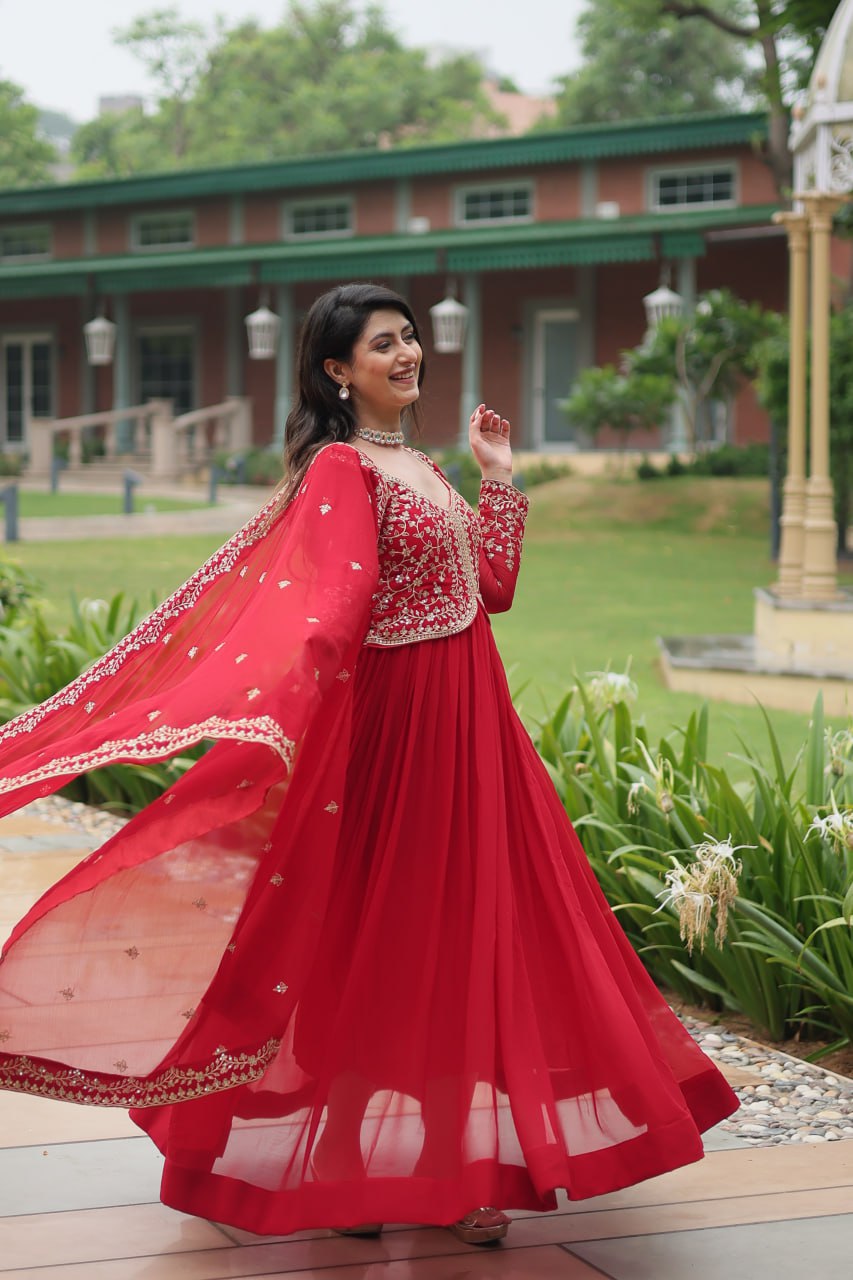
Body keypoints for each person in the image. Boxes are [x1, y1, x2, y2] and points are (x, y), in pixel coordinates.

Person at [0, 282, 737, 1245]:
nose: (408, 354)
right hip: (400, 735)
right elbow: (325, 615)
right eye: (383, 344)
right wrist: (279, 721)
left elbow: (493, 586)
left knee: (468, 935)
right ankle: (346, 1170)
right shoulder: (341, 469)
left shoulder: (423, 465)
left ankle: (459, 1175)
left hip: (475, 736)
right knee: (372, 938)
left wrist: (498, 475)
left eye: (411, 338)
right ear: (336, 369)